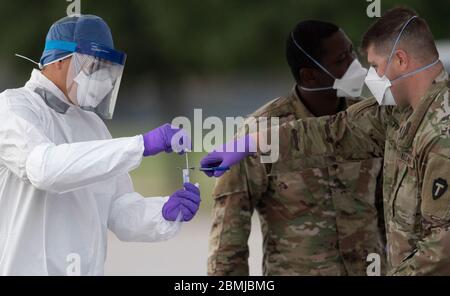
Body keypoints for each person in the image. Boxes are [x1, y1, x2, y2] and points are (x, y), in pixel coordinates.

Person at [201, 7, 450, 275]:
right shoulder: (396, 116)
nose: (367, 74)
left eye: (375, 66)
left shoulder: (439, 134)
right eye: (344, 59)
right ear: (310, 74)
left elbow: (440, 250)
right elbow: (334, 132)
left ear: (400, 60)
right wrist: (252, 142)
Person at [0, 15, 200, 276]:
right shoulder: (14, 107)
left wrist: (163, 212)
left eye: (107, 69)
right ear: (59, 60)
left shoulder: (93, 125)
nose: (103, 78)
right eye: (94, 66)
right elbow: (43, 169)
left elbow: (118, 208)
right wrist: (141, 145)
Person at [207, 20, 386, 276]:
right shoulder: (257, 135)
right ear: (308, 75)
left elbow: (388, 210)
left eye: (351, 53)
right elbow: (228, 238)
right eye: (340, 60)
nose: (354, 65)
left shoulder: (366, 122)